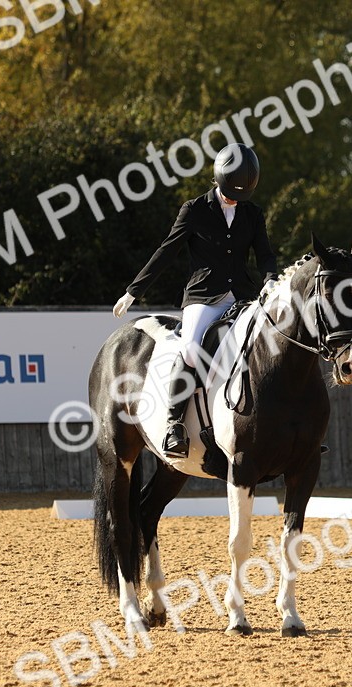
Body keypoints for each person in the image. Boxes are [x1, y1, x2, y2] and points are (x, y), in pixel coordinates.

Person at [113, 143, 277, 457]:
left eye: (240, 196)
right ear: (218, 180)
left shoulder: (253, 214)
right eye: (230, 193)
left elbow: (265, 255)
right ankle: (175, 426)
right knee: (190, 350)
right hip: (204, 297)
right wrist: (134, 290)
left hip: (243, 295)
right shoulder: (195, 210)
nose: (234, 200)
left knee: (268, 346)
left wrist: (270, 279)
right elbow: (166, 251)